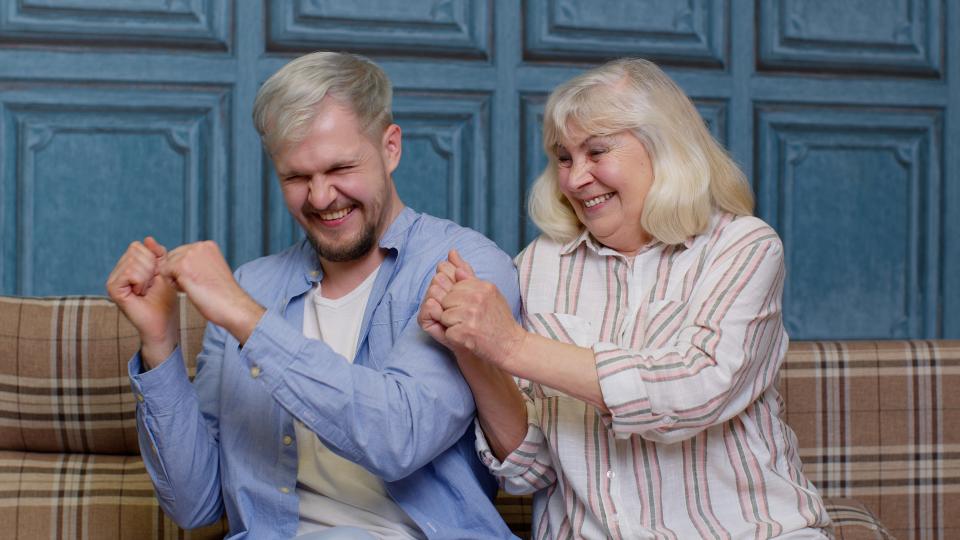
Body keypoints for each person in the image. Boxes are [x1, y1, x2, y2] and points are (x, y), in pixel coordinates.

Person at [106, 51, 519, 540]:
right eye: (297, 178)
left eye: (340, 168)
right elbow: (195, 505)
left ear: (390, 149)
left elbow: (399, 440)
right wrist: (159, 344)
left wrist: (246, 319)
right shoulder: (253, 284)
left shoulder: (465, 266)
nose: (321, 198)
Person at [419, 58, 832, 539]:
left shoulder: (744, 246)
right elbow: (531, 472)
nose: (574, 179)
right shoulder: (538, 264)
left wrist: (509, 345)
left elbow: (694, 389)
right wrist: (474, 353)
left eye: (597, 152)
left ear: (665, 149)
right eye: (564, 157)